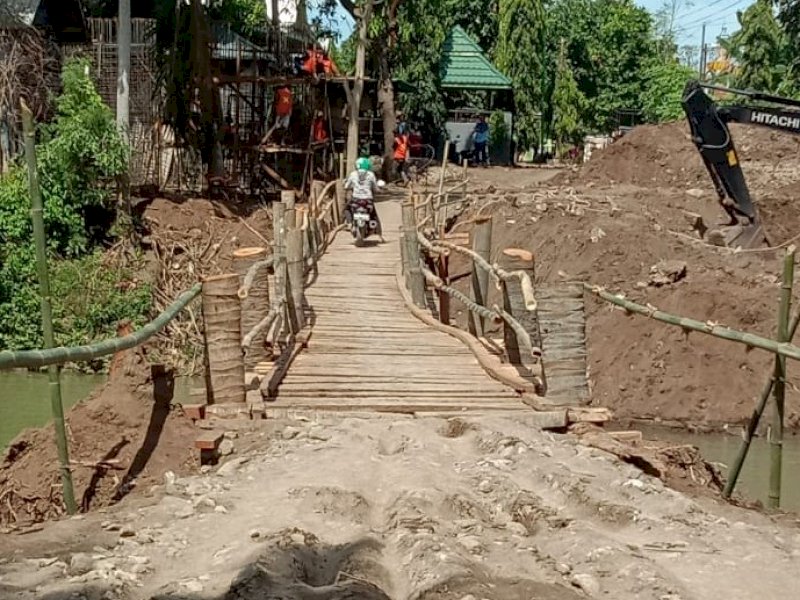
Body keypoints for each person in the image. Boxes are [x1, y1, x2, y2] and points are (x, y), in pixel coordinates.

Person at [344, 156, 383, 239]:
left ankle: (350, 223)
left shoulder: (353, 174)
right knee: (373, 214)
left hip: (355, 200)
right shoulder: (371, 174)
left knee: (346, 209)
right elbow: (375, 188)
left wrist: (348, 186)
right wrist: (379, 190)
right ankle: (375, 229)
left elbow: (346, 186)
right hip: (368, 200)